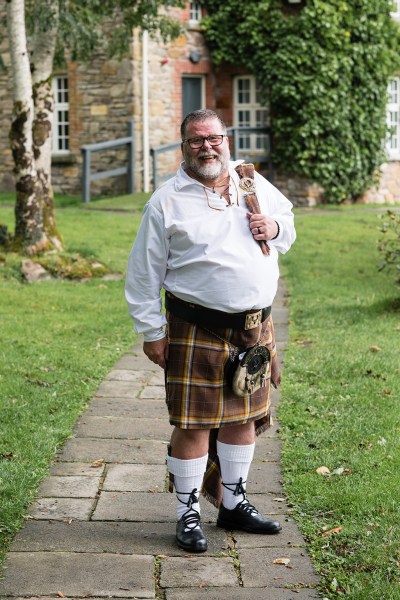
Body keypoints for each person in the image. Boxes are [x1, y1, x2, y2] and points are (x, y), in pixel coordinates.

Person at [125, 109, 296, 553]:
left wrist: (274, 227)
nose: (207, 146)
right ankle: (188, 513)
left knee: (243, 419)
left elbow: (288, 228)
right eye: (196, 140)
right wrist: (152, 330)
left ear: (226, 138)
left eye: (213, 138)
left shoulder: (250, 184)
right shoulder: (166, 201)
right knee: (193, 425)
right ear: (184, 146)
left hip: (253, 327)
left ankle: (234, 504)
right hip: (195, 326)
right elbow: (143, 274)